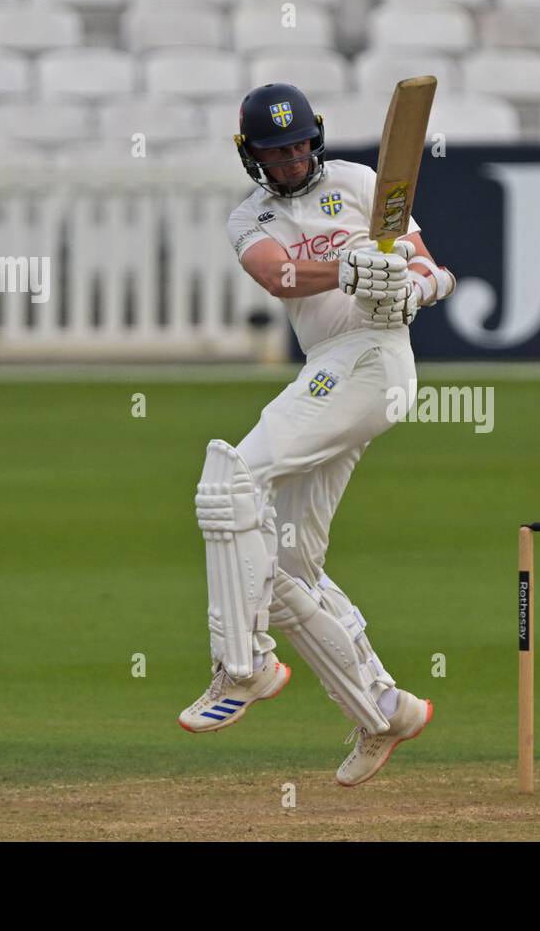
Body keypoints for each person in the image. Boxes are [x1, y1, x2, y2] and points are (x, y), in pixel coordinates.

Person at [176, 83, 455, 784]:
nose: (295, 158)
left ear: (317, 136)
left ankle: (243, 666)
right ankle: (385, 710)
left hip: (374, 358)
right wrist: (350, 266)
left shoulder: (363, 183)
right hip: (327, 368)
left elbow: (431, 264)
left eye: (301, 143)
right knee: (285, 570)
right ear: (253, 157)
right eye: (278, 150)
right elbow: (281, 276)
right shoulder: (252, 218)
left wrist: (417, 287)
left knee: (232, 476)